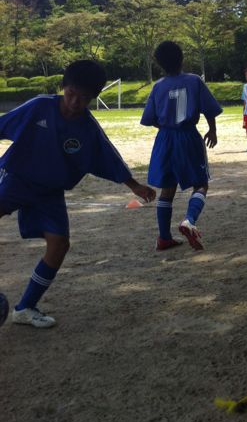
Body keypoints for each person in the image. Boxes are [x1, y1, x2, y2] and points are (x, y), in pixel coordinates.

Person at [0, 60, 156, 329]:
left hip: (49, 191)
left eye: (83, 98)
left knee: (59, 244)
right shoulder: (39, 106)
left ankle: (25, 308)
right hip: (17, 179)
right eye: (71, 93)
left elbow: (107, 156)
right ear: (64, 86)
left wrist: (134, 186)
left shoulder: (87, 128)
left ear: (93, 98)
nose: (75, 102)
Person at [141, 41, 223, 251]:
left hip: (164, 139)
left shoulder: (158, 86)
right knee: (201, 184)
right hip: (187, 136)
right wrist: (212, 130)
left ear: (159, 64)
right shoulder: (194, 81)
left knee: (167, 188)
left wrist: (166, 126)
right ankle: (189, 220)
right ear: (182, 58)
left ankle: (164, 237)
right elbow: (209, 109)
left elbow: (149, 118)